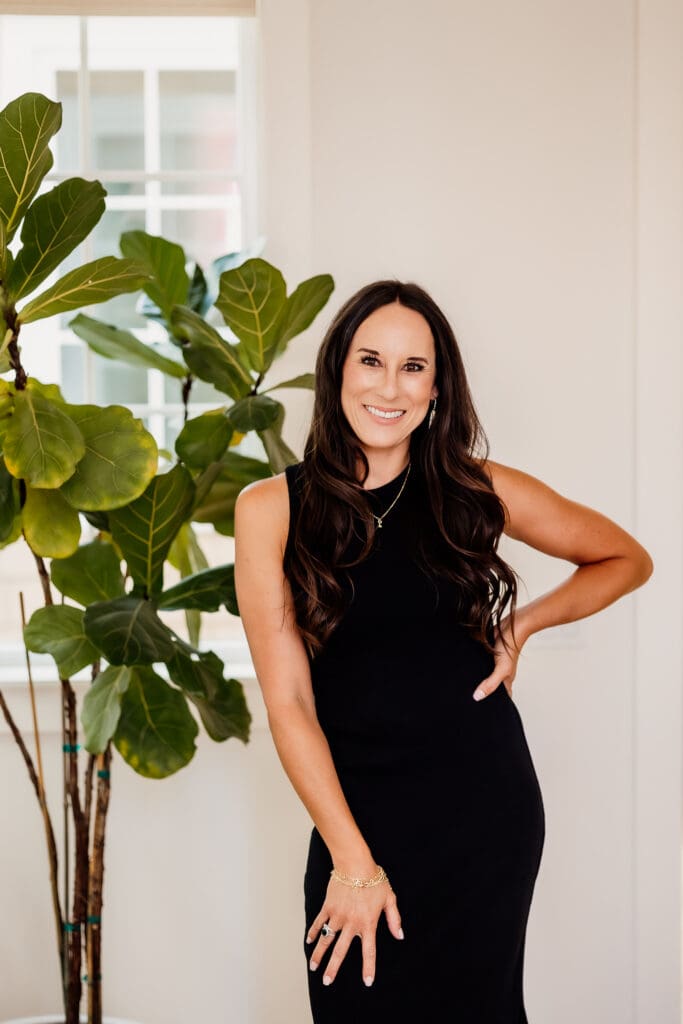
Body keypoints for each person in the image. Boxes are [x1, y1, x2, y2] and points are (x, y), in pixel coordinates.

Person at [233, 280, 653, 1023]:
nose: (388, 387)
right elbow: (289, 703)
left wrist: (519, 628)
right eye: (370, 361)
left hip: (480, 809)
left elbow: (625, 559)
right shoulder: (270, 509)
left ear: (436, 389)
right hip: (354, 814)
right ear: (337, 371)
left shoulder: (473, 488)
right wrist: (352, 863)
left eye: (413, 367)